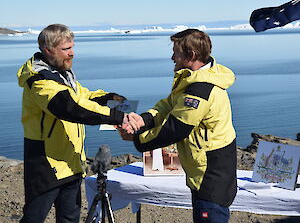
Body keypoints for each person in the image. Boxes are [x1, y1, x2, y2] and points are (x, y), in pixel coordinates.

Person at [120, 29, 237, 223]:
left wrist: (137, 137)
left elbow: (176, 128)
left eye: (176, 52)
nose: (172, 57)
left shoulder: (200, 89)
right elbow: (169, 104)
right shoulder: (195, 78)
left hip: (210, 173)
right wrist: (144, 119)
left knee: (210, 214)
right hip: (209, 167)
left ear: (191, 55)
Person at [17, 24, 129, 223]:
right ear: (48, 50)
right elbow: (70, 108)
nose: (72, 53)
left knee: (70, 218)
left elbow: (81, 97)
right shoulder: (39, 81)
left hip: (71, 162)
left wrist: (108, 98)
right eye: (66, 49)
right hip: (46, 164)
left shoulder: (61, 74)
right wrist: (117, 117)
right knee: (34, 217)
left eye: (72, 47)